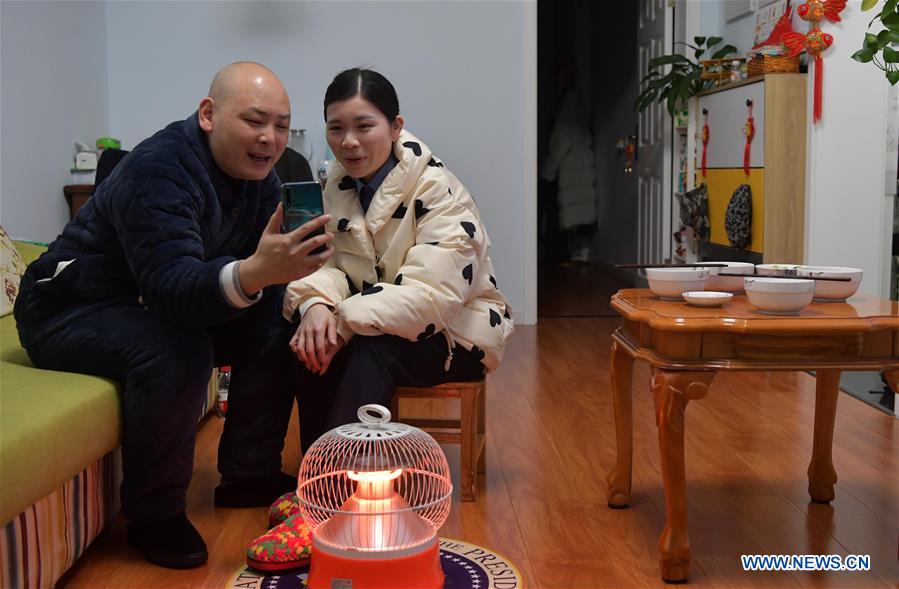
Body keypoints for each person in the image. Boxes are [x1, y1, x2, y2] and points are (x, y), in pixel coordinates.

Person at [13, 62, 334, 569]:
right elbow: (170, 290)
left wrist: (295, 284)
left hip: (147, 301)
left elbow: (245, 277)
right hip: (68, 308)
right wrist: (254, 272)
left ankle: (248, 474)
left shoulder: (262, 181)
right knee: (178, 347)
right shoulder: (158, 168)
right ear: (208, 114)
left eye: (280, 125)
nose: (270, 138)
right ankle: (154, 514)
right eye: (254, 121)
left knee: (276, 316)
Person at [284, 68, 514, 451]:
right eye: (336, 129)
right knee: (309, 340)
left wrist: (340, 322)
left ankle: (341, 477)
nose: (350, 142)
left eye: (363, 126)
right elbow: (327, 264)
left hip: (455, 331)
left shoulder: (441, 190)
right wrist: (315, 305)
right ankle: (316, 472)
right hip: (370, 321)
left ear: (395, 127)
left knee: (370, 350)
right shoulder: (336, 186)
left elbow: (429, 298)